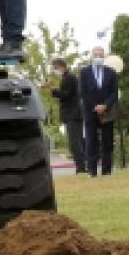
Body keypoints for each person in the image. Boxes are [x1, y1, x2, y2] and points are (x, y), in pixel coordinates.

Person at [79, 46, 118, 176]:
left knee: (107, 141)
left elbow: (114, 92)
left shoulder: (111, 72)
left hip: (107, 111)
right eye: (96, 55)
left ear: (104, 56)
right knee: (91, 141)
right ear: (92, 56)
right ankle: (92, 170)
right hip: (90, 111)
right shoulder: (84, 72)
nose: (98, 58)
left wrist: (105, 105)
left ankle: (107, 170)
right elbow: (82, 92)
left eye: (100, 55)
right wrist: (95, 106)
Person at [48, 57, 85, 174]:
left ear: (60, 66)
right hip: (73, 114)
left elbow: (67, 95)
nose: (55, 70)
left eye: (55, 68)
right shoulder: (67, 77)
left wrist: (53, 90)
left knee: (75, 143)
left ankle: (81, 168)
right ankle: (81, 166)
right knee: (75, 142)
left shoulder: (69, 78)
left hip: (73, 114)